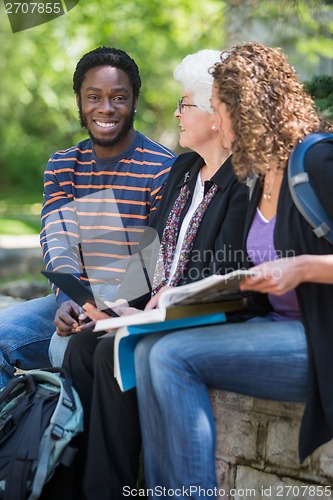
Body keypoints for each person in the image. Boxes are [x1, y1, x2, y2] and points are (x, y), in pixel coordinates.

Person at [134, 41, 333, 499]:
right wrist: (182, 295)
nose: (215, 119)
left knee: (170, 356)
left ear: (248, 109)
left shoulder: (317, 161)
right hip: (275, 329)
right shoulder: (260, 176)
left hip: (316, 339)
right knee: (147, 351)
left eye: (219, 108)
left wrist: (304, 267)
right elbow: (245, 274)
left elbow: (295, 267)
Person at [61, 49, 249, 500]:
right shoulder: (184, 170)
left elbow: (223, 271)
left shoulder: (244, 182)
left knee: (111, 355)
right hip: (155, 311)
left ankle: (113, 488)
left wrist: (155, 308)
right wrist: (117, 304)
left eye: (186, 104)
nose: (177, 113)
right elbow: (150, 250)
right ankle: (72, 482)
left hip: (199, 315)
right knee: (83, 346)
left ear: (218, 116)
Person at [0, 46, 176, 387]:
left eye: (118, 97)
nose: (106, 108)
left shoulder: (161, 168)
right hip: (74, 302)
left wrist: (99, 308)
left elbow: (154, 264)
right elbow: (58, 241)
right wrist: (69, 301)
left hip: (129, 310)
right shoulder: (65, 165)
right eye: (93, 96)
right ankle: (17, 435)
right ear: (79, 102)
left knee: (70, 349)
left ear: (134, 101)